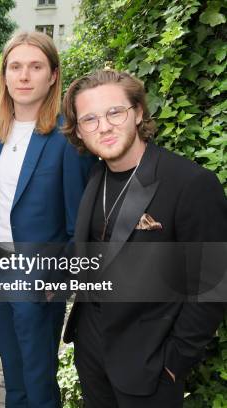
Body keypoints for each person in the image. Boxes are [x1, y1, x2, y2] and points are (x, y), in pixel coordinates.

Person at [61, 69, 227, 407]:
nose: (103, 126)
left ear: (137, 112)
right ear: (79, 130)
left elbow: (212, 284)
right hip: (92, 357)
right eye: (89, 119)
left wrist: (173, 362)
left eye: (114, 112)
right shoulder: (95, 176)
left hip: (151, 366)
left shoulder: (191, 183)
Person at [0, 31, 95, 408]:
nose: (24, 75)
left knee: (39, 384)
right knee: (13, 380)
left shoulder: (68, 139)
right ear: (5, 76)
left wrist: (58, 280)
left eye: (35, 66)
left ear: (52, 76)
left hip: (39, 276)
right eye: (15, 67)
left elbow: (78, 221)